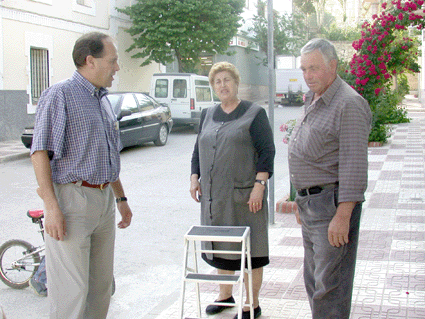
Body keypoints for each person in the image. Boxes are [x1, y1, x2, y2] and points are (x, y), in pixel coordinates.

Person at [30, 32, 133, 319]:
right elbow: (40, 153)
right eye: (112, 61)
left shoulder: (102, 100)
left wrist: (121, 198)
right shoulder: (59, 94)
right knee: (71, 295)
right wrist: (52, 208)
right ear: (90, 61)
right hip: (73, 200)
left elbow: (107, 156)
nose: (116, 68)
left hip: (103, 202)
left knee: (101, 289)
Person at [288, 38, 372, 319]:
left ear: (333, 66)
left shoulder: (348, 104)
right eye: (303, 69)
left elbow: (354, 165)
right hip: (312, 205)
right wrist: (301, 200)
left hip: (331, 207)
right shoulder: (314, 98)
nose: (307, 76)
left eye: (314, 68)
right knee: (314, 282)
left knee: (330, 287)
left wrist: (342, 216)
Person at [190, 61, 275, 319]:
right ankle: (225, 296)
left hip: (246, 197)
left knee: (252, 249)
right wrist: (195, 177)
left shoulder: (254, 113)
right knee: (221, 249)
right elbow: (197, 149)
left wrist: (260, 186)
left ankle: (252, 303)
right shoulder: (207, 114)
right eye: (217, 81)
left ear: (237, 83)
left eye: (227, 80)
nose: (222, 85)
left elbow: (267, 152)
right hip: (214, 198)